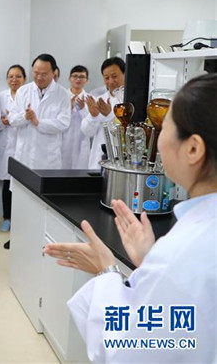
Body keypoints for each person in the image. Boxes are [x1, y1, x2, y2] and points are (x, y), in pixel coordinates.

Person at [45, 73, 217, 362]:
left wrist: (107, 271)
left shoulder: (182, 253)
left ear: (193, 149)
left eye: (164, 129)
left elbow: (126, 352)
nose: (157, 140)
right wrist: (149, 263)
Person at [9, 54, 71, 170]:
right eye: (36, 73)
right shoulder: (23, 91)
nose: (39, 77)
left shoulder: (63, 94)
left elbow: (63, 123)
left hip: (48, 158)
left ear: (54, 73)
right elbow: (12, 119)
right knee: (23, 181)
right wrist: (25, 117)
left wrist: (38, 122)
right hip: (24, 156)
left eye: (44, 74)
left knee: (46, 181)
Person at [0, 64, 27, 241]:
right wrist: (4, 122)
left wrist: (15, 120)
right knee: (7, 184)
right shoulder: (1, 97)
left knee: (21, 186)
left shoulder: (28, 95)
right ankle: (6, 218)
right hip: (6, 144)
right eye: (11, 76)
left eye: (18, 76)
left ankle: (20, 221)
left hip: (23, 144)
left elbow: (29, 119)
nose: (14, 80)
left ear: (24, 79)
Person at [81, 57, 125, 169]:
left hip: (121, 161)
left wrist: (110, 115)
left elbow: (126, 131)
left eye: (114, 76)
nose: (110, 81)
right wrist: (93, 116)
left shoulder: (130, 102)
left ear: (125, 74)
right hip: (98, 160)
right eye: (106, 78)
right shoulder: (99, 100)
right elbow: (87, 132)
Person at [61, 65, 91, 169]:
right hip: (64, 140)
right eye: (75, 76)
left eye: (82, 77)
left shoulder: (91, 99)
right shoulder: (61, 96)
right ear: (70, 78)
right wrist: (69, 108)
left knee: (80, 170)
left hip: (82, 141)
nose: (78, 79)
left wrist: (83, 109)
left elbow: (92, 122)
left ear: (87, 80)